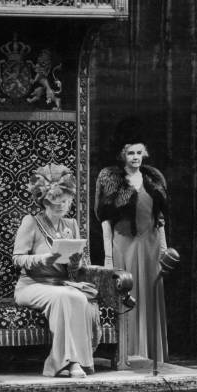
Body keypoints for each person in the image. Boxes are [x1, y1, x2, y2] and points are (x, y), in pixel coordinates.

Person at [13, 163, 101, 378]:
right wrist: (45, 258)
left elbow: (77, 268)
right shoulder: (31, 222)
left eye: (65, 201)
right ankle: (68, 363)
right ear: (44, 201)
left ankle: (74, 362)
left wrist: (75, 262)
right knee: (65, 296)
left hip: (61, 284)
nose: (61, 205)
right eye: (55, 202)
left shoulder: (71, 225)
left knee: (78, 298)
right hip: (31, 286)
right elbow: (17, 259)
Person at [94, 139, 169, 362]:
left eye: (139, 153)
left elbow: (160, 218)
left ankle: (151, 353)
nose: (135, 157)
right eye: (130, 153)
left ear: (144, 154)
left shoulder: (153, 178)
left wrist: (164, 249)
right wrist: (108, 256)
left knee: (150, 292)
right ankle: (128, 351)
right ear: (123, 156)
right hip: (123, 242)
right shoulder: (111, 179)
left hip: (151, 244)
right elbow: (105, 220)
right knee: (128, 293)